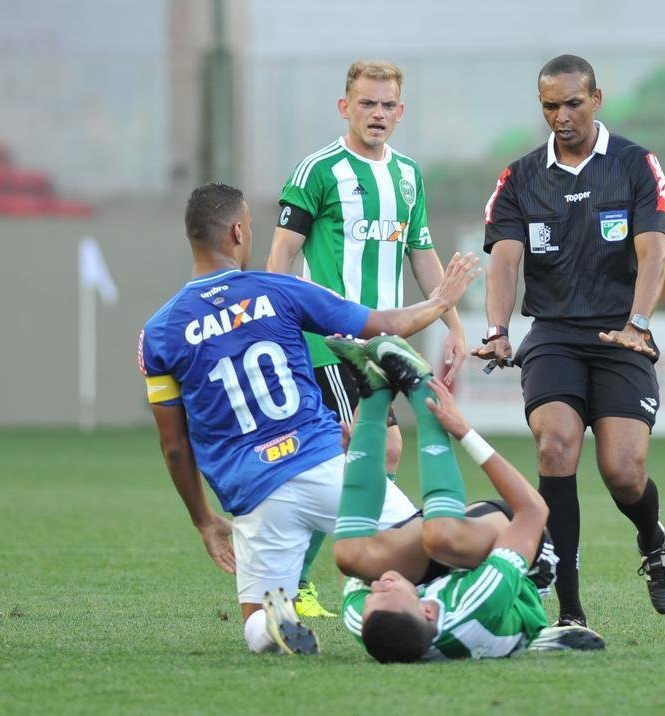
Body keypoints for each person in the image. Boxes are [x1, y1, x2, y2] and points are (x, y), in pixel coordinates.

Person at [138, 182, 479, 654]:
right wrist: (441, 301)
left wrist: (204, 520)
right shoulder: (279, 289)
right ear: (238, 232)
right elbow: (383, 325)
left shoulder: (158, 332)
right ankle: (485, 622)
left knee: (256, 620)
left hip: (253, 492)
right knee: (439, 550)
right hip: (320, 462)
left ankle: (273, 624)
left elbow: (175, 446)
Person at [474, 54, 665, 629]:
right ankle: (570, 612)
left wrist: (639, 323)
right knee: (555, 446)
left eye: (572, 103)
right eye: (550, 106)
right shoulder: (520, 177)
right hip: (554, 334)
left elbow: (653, 252)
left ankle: (653, 540)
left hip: (621, 334)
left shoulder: (635, 164)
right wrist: (497, 330)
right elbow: (505, 261)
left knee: (623, 472)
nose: (561, 116)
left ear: (596, 98)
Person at [265, 59, 468, 618]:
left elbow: (421, 255)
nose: (377, 113)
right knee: (361, 448)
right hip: (328, 339)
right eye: (366, 103)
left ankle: (356, 566)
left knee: (372, 451)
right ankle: (311, 578)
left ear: (401, 112)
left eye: (387, 105)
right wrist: (278, 325)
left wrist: (452, 325)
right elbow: (281, 255)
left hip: (381, 344)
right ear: (345, 107)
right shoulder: (318, 171)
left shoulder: (408, 175)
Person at [322, 335, 604, 661]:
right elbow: (533, 511)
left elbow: (363, 571)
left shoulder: (369, 621)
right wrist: (463, 431)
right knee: (442, 537)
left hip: (440, 573)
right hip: (521, 557)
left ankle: (374, 391)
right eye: (386, 589)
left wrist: (360, 455)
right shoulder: (481, 602)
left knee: (350, 556)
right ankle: (422, 389)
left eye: (373, 594)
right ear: (428, 611)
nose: (377, 584)